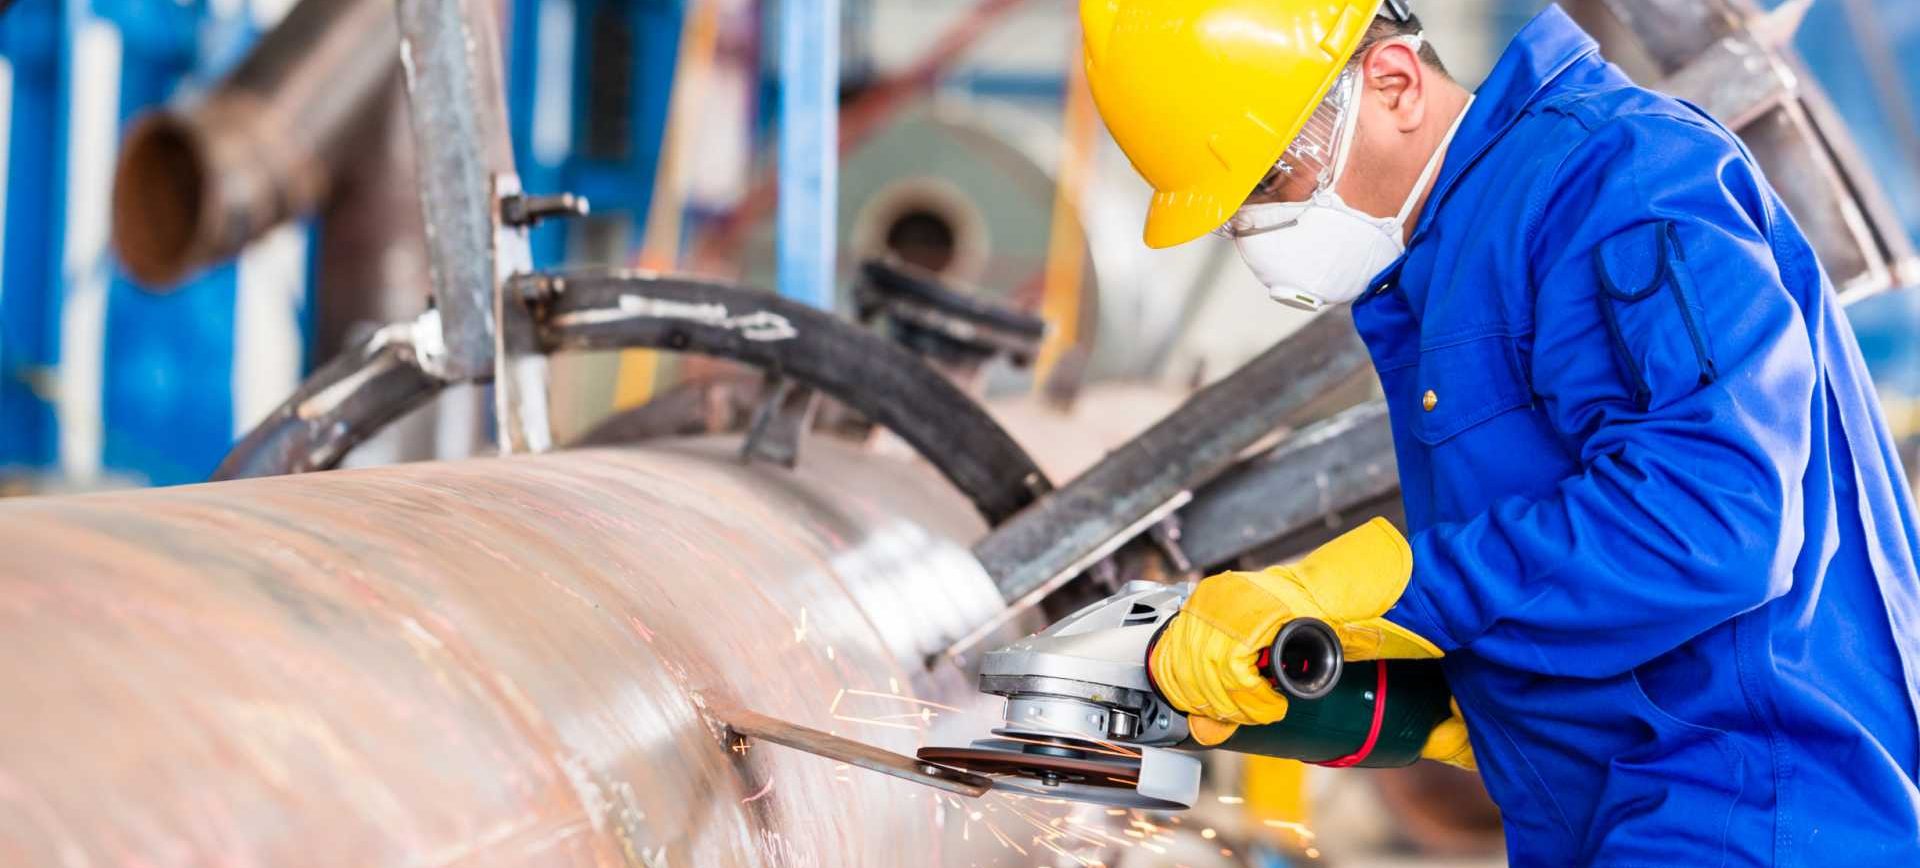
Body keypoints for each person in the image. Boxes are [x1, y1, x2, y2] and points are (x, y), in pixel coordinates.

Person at [1084, 1, 1920, 863]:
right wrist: (1447, 689)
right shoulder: (1456, 263)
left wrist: (1385, 593)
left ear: (1394, 83)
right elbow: (1574, 568)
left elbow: (1717, 523)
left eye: (1267, 182)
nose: (1255, 232)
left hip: (1749, 816)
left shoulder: (1621, 181)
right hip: (1649, 812)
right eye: (1233, 214)